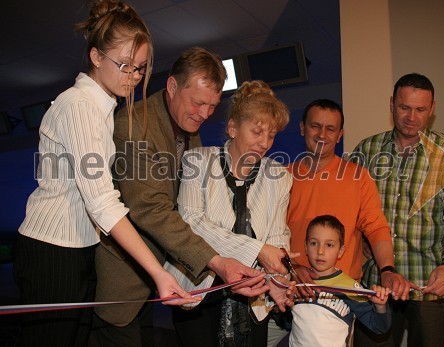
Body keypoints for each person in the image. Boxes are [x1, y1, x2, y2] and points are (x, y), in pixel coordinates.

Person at [13, 1, 200, 346]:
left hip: (80, 247)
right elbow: (102, 202)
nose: (134, 77)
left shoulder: (104, 109)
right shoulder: (80, 105)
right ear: (96, 57)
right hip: (52, 248)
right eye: (125, 66)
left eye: (141, 68)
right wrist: (157, 272)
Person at [90, 47, 267, 346]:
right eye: (198, 102)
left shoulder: (189, 128)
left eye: (212, 105)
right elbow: (151, 209)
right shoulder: (134, 125)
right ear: (172, 86)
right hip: (125, 279)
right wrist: (217, 261)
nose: (205, 114)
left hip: (158, 279)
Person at [268, 99, 416, 347]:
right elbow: (268, 235)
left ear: (340, 135)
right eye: (315, 126)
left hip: (337, 302)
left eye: (331, 129)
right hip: (286, 290)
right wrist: (293, 268)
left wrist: (387, 270)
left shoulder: (358, 177)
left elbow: (377, 227)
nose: (322, 135)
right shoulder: (282, 176)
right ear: (302, 128)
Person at [351, 73, 444, 346]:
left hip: (429, 284)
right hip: (377, 285)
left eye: (420, 109)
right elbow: (350, 208)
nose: (412, 117)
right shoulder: (367, 149)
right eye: (404, 107)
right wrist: (358, 240)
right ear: (391, 104)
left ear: (432, 109)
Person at [165, 80, 294, 346]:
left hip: (253, 300)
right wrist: (258, 249)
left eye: (271, 135)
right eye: (257, 132)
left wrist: (280, 281)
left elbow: (278, 236)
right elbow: (191, 222)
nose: (264, 143)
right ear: (233, 127)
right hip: (199, 292)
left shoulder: (280, 177)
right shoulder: (197, 161)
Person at [289, 214, 391, 347]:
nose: (320, 251)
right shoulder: (298, 282)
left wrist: (380, 306)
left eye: (329, 245)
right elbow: (291, 322)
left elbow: (379, 327)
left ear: (341, 251)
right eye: (314, 243)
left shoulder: (350, 287)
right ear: (306, 247)